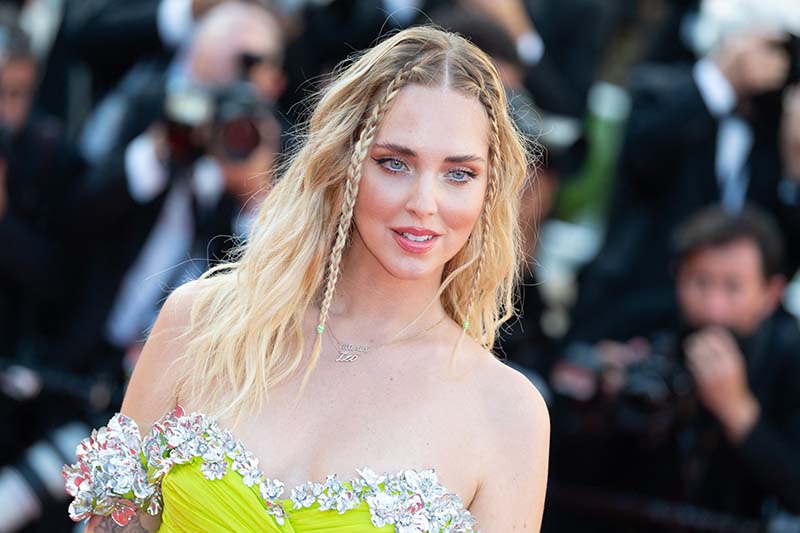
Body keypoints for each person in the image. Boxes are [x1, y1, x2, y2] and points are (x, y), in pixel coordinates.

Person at [63, 25, 550, 532]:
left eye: (459, 174)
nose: (424, 203)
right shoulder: (199, 323)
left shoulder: (507, 413)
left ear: (490, 190)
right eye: (394, 163)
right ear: (343, 164)